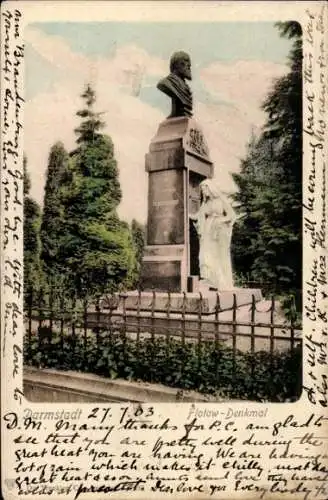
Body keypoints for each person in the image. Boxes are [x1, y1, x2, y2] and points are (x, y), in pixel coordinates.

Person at [191, 179, 237, 290]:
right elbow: (197, 216)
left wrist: (221, 220)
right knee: (205, 254)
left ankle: (221, 283)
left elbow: (232, 215)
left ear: (210, 188)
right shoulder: (205, 203)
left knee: (218, 255)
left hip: (218, 230)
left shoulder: (221, 200)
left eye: (204, 189)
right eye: (202, 190)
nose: (203, 192)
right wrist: (186, 213)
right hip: (208, 230)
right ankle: (211, 281)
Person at [157, 51, 193, 117]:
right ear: (177, 65)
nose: (189, 66)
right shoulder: (166, 82)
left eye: (189, 64)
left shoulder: (185, 87)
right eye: (185, 62)